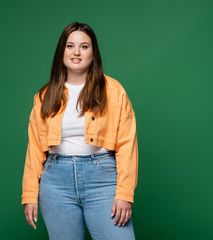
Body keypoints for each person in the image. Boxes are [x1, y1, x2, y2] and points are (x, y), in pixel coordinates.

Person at [21, 21, 138, 240]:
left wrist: (124, 194)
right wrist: (29, 194)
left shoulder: (114, 91)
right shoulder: (44, 96)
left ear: (94, 53)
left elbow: (127, 144)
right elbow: (35, 148)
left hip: (103, 180)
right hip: (55, 182)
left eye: (84, 46)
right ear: (61, 52)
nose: (76, 52)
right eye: (70, 46)